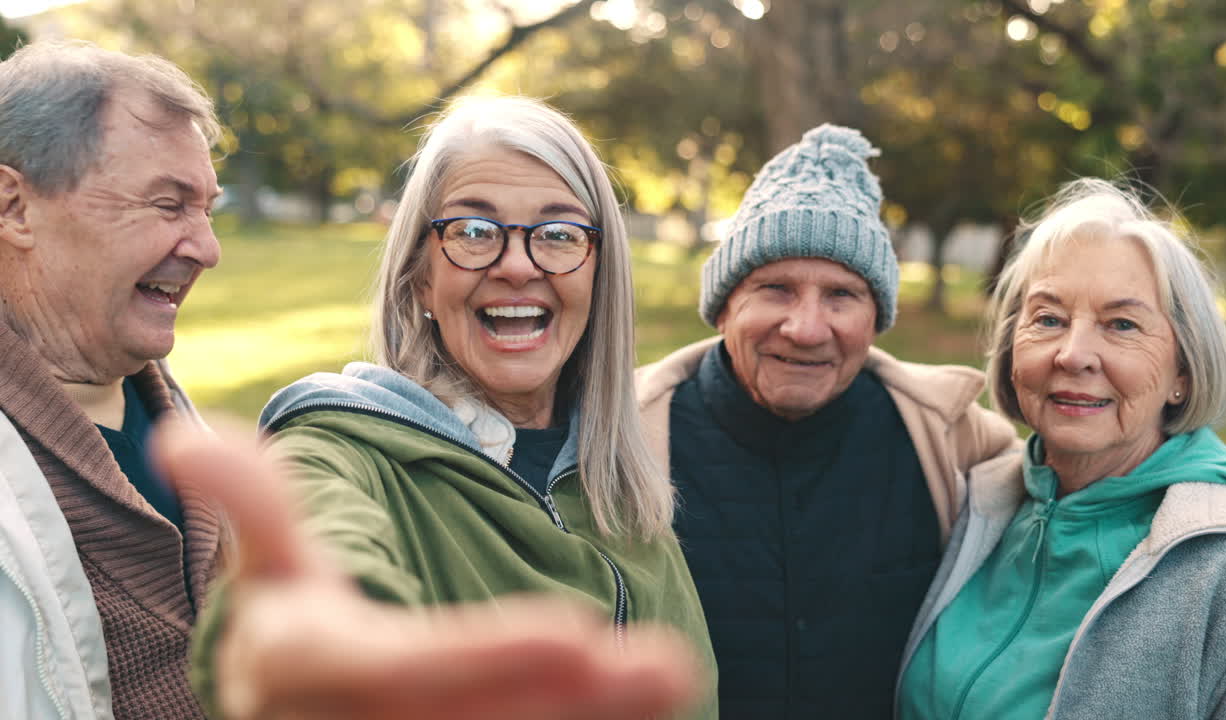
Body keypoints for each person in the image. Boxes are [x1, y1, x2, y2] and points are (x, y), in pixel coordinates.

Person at [184, 96, 715, 719]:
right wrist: (302, 629)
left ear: (599, 275)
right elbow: (319, 539)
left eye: (560, 233)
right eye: (472, 231)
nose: (517, 265)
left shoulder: (625, 475)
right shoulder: (344, 450)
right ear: (421, 279)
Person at [635, 124, 1019, 717]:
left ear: (875, 318)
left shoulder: (954, 445)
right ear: (724, 306)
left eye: (841, 295)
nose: (807, 328)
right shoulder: (621, 439)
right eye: (776, 289)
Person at [896, 179, 1226, 719]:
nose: (1073, 355)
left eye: (1122, 324)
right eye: (1048, 319)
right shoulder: (975, 505)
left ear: (1184, 374)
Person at [0, 40, 225, 719]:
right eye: (168, 204)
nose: (208, 249)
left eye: (207, 207)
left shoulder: (173, 416)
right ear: (14, 207)